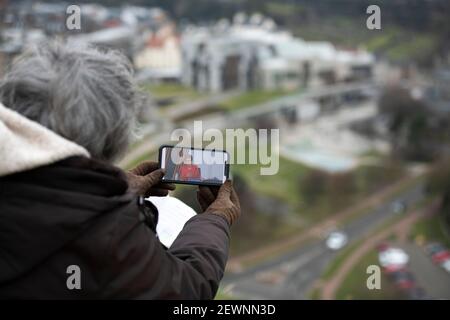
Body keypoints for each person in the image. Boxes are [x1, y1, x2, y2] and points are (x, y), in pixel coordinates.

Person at [0, 42, 241, 299]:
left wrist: (113, 189)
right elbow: (185, 290)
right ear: (112, 138)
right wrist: (216, 219)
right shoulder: (110, 234)